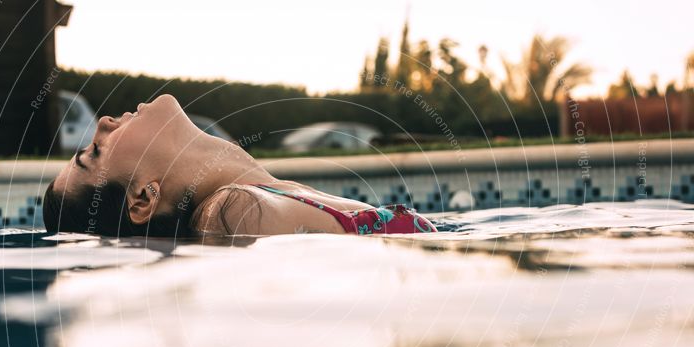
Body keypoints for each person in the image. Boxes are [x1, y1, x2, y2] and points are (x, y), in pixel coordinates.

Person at [42, 94, 437, 237]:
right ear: (144, 197)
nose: (103, 124)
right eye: (96, 151)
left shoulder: (264, 196)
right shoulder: (235, 212)